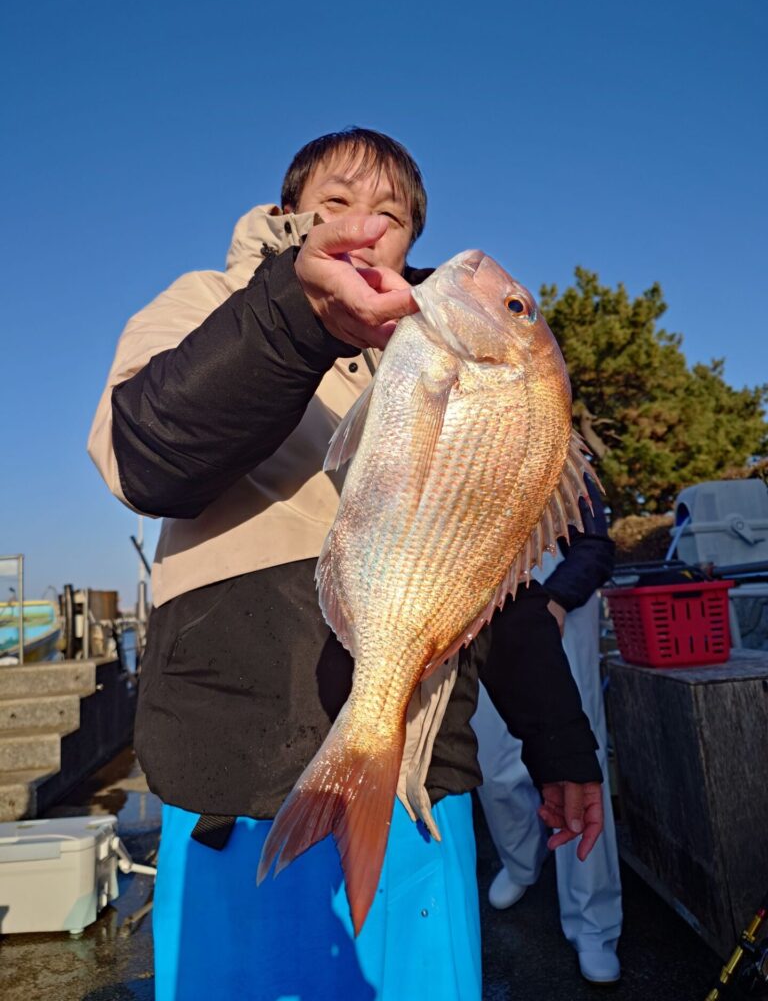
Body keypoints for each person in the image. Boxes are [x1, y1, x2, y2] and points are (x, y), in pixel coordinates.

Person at [89, 127, 604, 1001]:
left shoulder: (433, 347)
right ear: (292, 212)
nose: (365, 226)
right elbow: (146, 461)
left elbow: (489, 574)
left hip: (422, 793)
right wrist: (298, 316)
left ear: (410, 241)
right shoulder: (206, 301)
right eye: (337, 202)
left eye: (391, 215)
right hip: (235, 788)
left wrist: (559, 740)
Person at [473, 479, 623, 985]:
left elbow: (595, 545)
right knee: (493, 767)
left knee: (579, 766)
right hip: (480, 608)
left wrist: (556, 600)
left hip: (560, 606)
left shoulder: (564, 457)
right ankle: (521, 861)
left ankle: (594, 921)